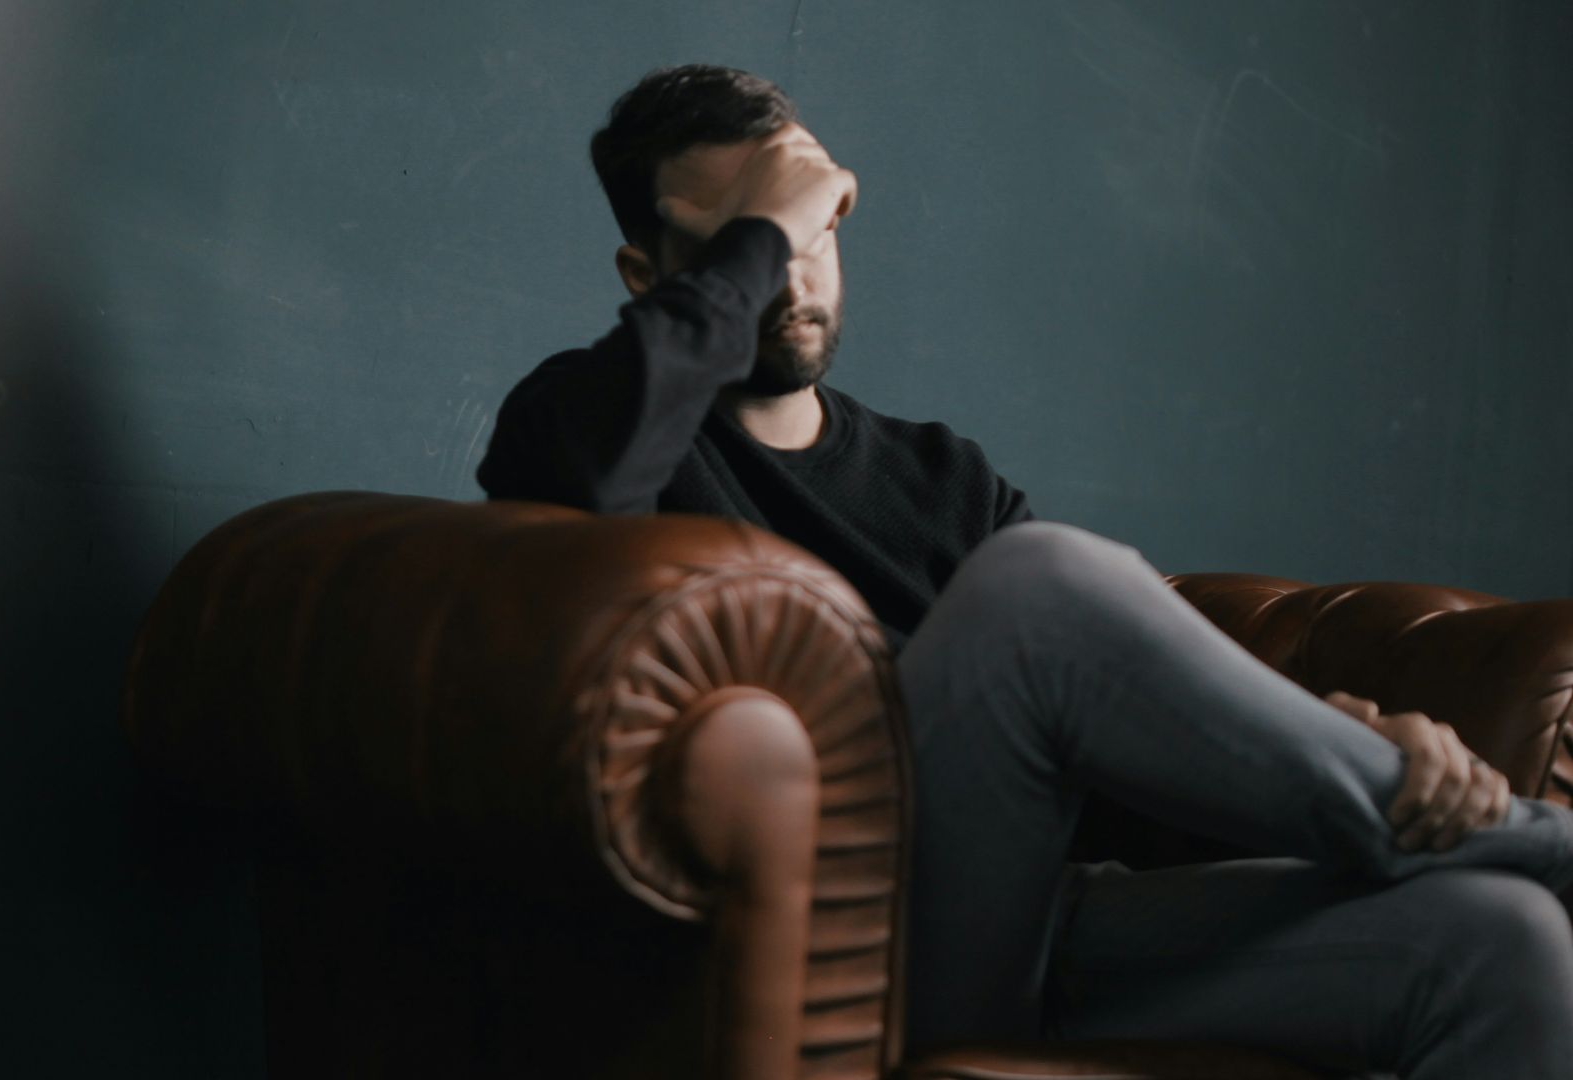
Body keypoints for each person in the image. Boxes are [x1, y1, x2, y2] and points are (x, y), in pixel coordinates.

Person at [475, 64, 1573, 1078]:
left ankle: (1456, 830)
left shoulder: (941, 475)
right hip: (841, 950)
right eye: (756, 241)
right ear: (648, 274)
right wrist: (772, 219)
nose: (793, 273)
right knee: (1039, 586)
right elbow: (586, 472)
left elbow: (1104, 744)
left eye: (819, 227)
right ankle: (1530, 841)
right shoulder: (584, 420)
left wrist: (1334, 739)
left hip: (1039, 928)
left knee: (1500, 940)